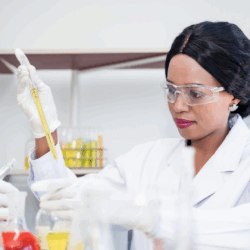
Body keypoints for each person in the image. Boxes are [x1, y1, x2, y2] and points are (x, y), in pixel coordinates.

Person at [17, 21, 250, 249]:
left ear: (235, 94)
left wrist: (152, 216)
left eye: (195, 94)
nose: (178, 105)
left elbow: (242, 231)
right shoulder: (148, 159)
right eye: (171, 90)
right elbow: (61, 200)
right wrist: (45, 128)